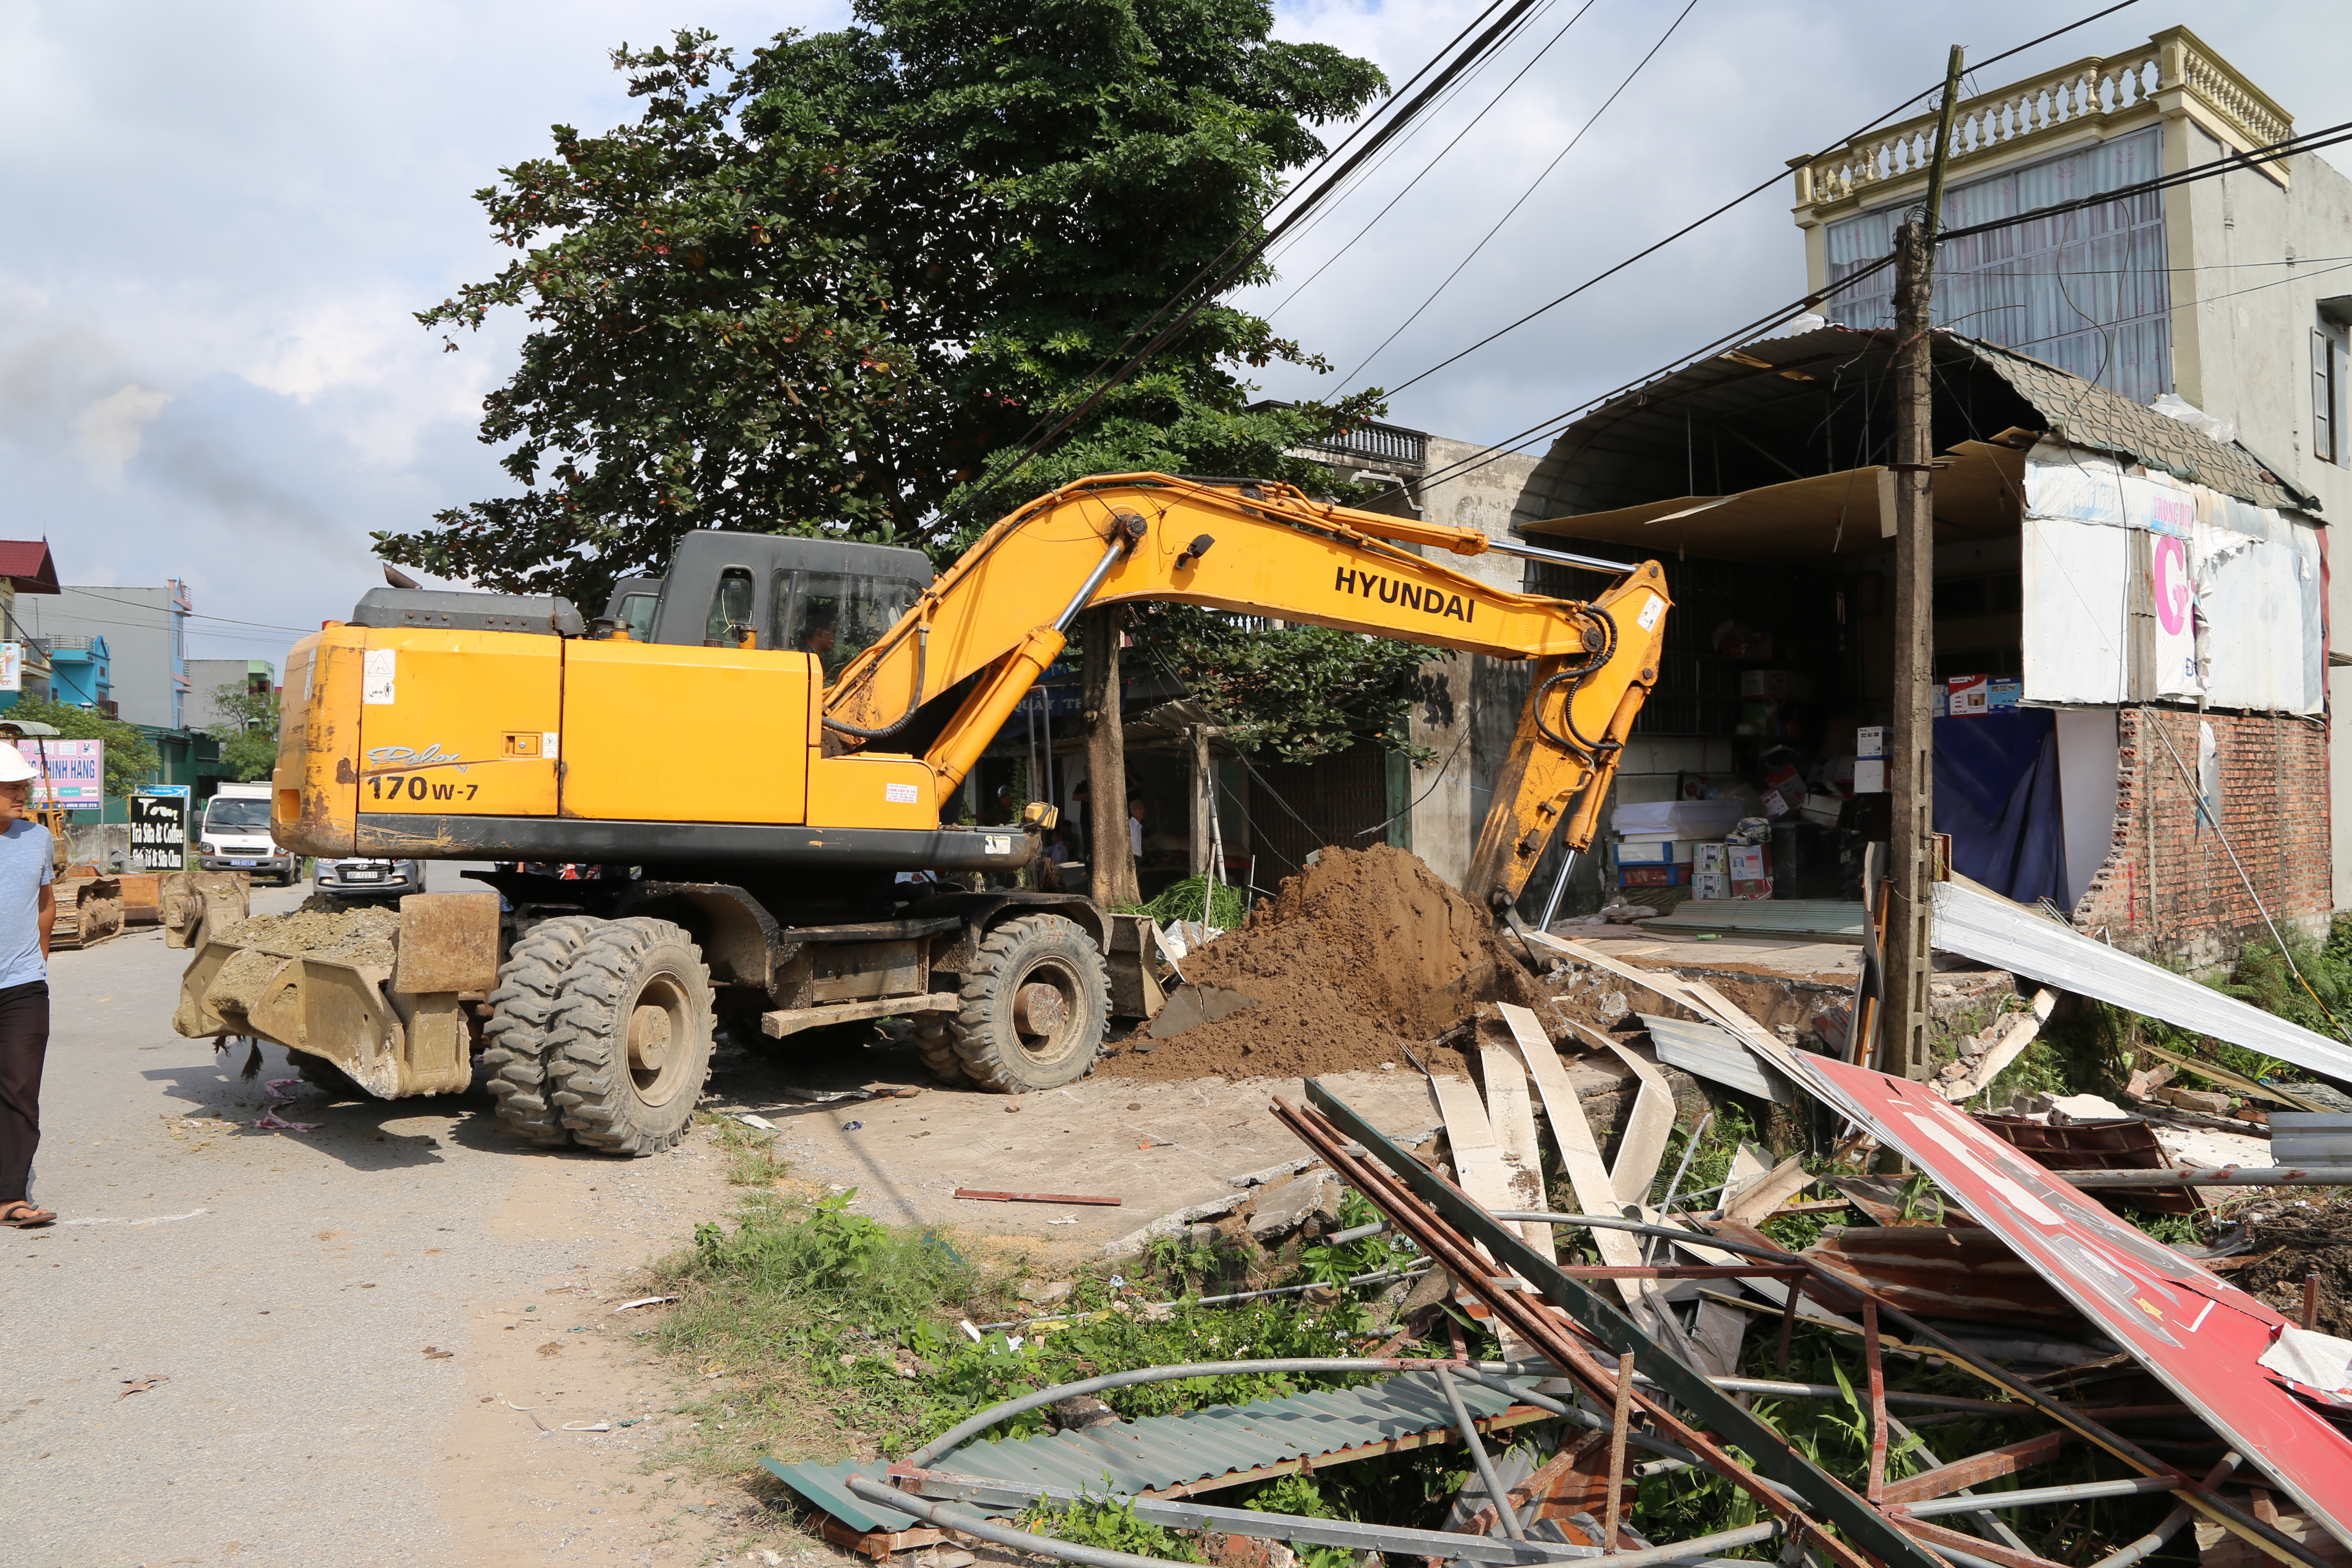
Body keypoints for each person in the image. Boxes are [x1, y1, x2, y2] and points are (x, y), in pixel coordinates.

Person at [0, 744, 55, 1228]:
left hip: (21, 986)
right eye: (11, 787)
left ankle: (10, 1196)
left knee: (20, 1089)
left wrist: (37, 961)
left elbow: (45, 903)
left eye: (24, 786)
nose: (23, 794)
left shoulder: (37, 838)